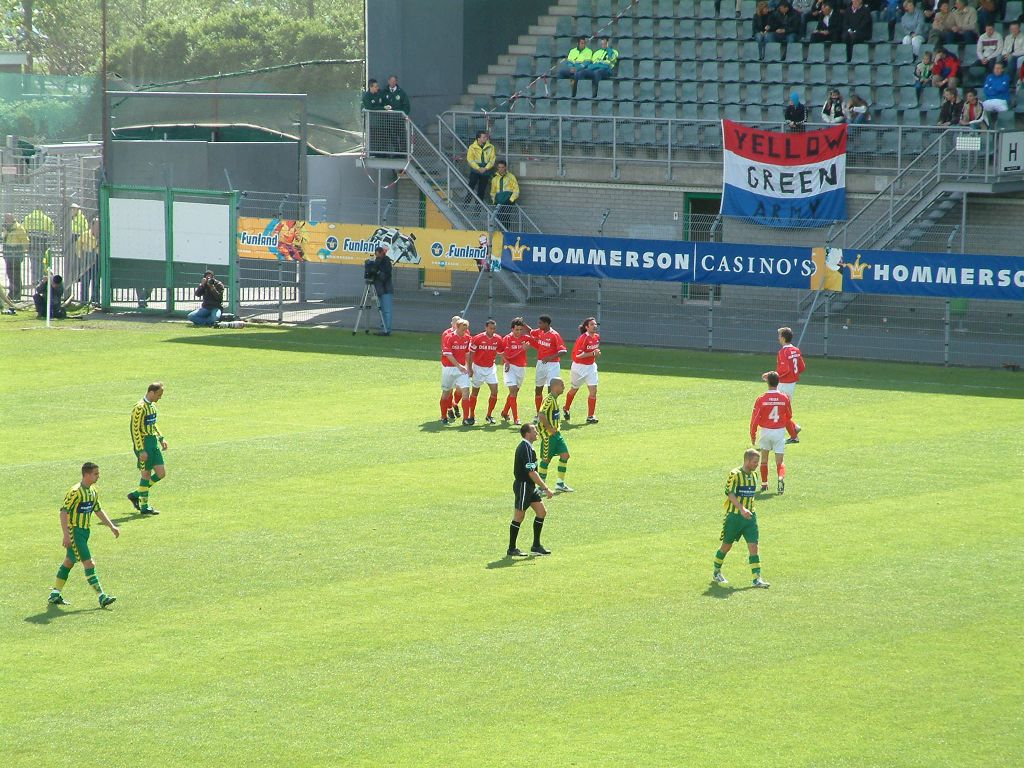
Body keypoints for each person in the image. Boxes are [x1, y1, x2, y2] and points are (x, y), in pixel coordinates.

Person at [47, 462, 119, 608]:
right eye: (95, 474)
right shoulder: (75, 491)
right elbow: (63, 512)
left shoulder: (93, 491)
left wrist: (111, 526)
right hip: (75, 531)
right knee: (89, 563)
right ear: (86, 475)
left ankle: (55, 594)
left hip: (85, 532)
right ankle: (102, 597)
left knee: (69, 561)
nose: (98, 476)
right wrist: (66, 535)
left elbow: (98, 510)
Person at [711, 448, 770, 588]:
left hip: (750, 518)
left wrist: (748, 510)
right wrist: (742, 509)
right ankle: (716, 571)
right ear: (747, 460)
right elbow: (729, 493)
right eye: (755, 462)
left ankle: (757, 578)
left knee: (754, 546)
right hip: (734, 517)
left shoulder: (754, 475)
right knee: (726, 546)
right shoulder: (735, 474)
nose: (757, 464)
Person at [507, 423, 554, 557]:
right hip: (523, 486)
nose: (537, 432)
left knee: (541, 512)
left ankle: (536, 546)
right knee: (519, 516)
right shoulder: (525, 448)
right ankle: (511, 548)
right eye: (534, 430)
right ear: (527, 434)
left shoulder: (529, 447)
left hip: (530, 486)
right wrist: (545, 488)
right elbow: (531, 473)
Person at [127, 382, 168, 516]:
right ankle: (144, 507)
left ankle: (136, 494)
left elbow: (153, 424)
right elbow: (134, 430)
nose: (160, 397)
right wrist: (140, 450)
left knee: (161, 473)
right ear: (151, 392)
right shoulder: (139, 408)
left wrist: (161, 438)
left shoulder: (152, 407)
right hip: (143, 444)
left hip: (153, 442)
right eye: (159, 394)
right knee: (146, 474)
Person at [750, 371, 793, 495]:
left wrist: (753, 434)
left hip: (765, 432)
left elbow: (755, 419)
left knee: (764, 460)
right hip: (779, 432)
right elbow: (789, 415)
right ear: (778, 383)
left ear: (767, 382)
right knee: (780, 462)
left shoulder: (761, 398)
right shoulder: (784, 397)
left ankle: (764, 484)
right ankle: (780, 478)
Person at [467, 319, 506, 425]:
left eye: (494, 328)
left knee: (495, 391)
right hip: (478, 368)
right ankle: (472, 416)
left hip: (490, 368)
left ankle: (489, 415)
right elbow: (471, 354)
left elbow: (501, 352)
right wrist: (470, 368)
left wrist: (506, 363)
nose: (492, 330)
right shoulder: (478, 338)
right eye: (490, 328)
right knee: (475, 392)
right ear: (486, 328)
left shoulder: (498, 339)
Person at [538, 377, 573, 493]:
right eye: (562, 385)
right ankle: (541, 487)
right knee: (545, 460)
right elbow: (541, 414)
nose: (564, 387)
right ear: (555, 386)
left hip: (557, 435)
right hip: (549, 436)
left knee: (565, 455)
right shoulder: (549, 399)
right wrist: (549, 428)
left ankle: (560, 484)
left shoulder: (555, 399)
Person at [564, 317, 600, 424]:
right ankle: (566, 408)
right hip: (579, 367)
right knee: (574, 389)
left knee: (593, 391)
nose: (595, 326)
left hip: (591, 367)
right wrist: (593, 353)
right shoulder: (583, 338)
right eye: (592, 324)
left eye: (595, 324)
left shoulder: (597, 337)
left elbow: (592, 351)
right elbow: (577, 356)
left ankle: (590, 416)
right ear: (586, 327)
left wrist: (595, 353)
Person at [500, 317, 536, 425]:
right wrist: (522, 349)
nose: (519, 332)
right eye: (517, 330)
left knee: (514, 392)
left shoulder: (525, 338)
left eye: (521, 329)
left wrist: (526, 326)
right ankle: (516, 418)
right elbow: (507, 356)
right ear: (512, 329)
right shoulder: (507, 339)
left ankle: (505, 412)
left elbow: (536, 337)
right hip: (510, 366)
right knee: (513, 390)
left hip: (521, 368)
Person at [530, 314, 567, 413]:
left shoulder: (554, 335)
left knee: (552, 390)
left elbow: (563, 351)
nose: (538, 325)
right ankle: (539, 413)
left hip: (553, 365)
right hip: (541, 364)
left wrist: (550, 357)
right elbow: (530, 331)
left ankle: (549, 412)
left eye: (540, 323)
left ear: (546, 324)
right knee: (538, 389)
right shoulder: (540, 331)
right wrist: (523, 324)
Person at [775, 327, 805, 443]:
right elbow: (801, 367)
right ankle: (795, 428)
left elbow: (785, 369)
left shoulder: (783, 352)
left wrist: (774, 376)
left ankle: (794, 435)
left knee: (781, 410)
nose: (778, 338)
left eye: (779, 336)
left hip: (784, 383)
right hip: (792, 383)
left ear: (783, 338)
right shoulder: (796, 350)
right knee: (783, 409)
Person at [440, 319, 472, 426]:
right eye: (463, 329)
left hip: (462, 369)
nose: (465, 332)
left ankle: (466, 419)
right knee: (446, 392)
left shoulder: (467, 337)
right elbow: (448, 354)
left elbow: (467, 353)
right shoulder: (449, 337)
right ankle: (443, 416)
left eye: (466, 329)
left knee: (466, 392)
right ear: (457, 327)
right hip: (449, 368)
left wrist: (468, 366)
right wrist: (459, 366)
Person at [23, 206, 55, 287]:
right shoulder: (47, 219)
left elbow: (23, 230)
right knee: (41, 261)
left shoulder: (28, 218)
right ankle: (41, 279)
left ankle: (34, 280)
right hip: (42, 242)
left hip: (32, 241)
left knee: (33, 261)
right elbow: (52, 231)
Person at [442, 315, 466, 420]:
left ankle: (454, 403)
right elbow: (445, 351)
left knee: (461, 389)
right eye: (456, 323)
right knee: (449, 390)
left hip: (462, 366)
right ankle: (449, 409)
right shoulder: (447, 334)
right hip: (448, 365)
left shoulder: (465, 333)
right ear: (452, 324)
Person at [464, 131, 495, 204]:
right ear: (478, 138)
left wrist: (486, 168)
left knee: (481, 190)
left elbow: (492, 159)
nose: (486, 138)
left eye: (486, 137)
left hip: (486, 171)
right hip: (475, 170)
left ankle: (478, 209)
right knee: (470, 187)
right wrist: (478, 168)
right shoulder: (472, 147)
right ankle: (466, 203)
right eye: (484, 137)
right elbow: (470, 159)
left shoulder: (491, 147)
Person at [383, 75, 410, 156]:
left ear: (396, 82)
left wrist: (403, 114)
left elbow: (406, 106)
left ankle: (403, 153)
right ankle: (396, 152)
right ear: (388, 81)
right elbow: (381, 103)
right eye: (391, 81)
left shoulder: (401, 92)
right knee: (392, 136)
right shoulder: (384, 92)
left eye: (394, 81)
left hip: (399, 119)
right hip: (388, 120)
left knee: (401, 136)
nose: (392, 83)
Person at [3, 213, 29, 300]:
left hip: (16, 253)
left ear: (12, 219)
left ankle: (16, 295)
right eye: (5, 219)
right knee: (10, 274)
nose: (6, 220)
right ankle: (12, 293)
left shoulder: (18, 228)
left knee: (15, 275)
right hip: (8, 253)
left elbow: (25, 241)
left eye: (7, 219)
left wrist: (24, 251)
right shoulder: (7, 228)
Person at [489, 160, 520, 230]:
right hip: (499, 202)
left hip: (508, 201)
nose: (501, 169)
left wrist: (511, 199)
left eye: (502, 167)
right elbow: (492, 192)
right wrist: (494, 200)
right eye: (499, 167)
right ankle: (501, 231)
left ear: (505, 167)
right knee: (499, 217)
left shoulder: (511, 177)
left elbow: (516, 189)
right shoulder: (494, 179)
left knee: (506, 217)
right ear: (497, 168)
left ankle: (506, 231)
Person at [371, 246, 393, 336]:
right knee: (382, 310)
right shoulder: (376, 261)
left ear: (381, 253)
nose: (377, 256)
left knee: (386, 311)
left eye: (378, 254)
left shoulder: (386, 261)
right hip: (380, 289)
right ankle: (383, 328)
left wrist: (378, 272)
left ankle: (386, 330)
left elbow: (386, 276)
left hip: (386, 289)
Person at [361, 78, 386, 156]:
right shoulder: (366, 96)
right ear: (370, 87)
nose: (377, 88)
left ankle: (382, 154)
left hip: (380, 122)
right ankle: (372, 154)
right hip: (371, 123)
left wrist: (385, 106)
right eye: (375, 87)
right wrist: (382, 108)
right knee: (373, 139)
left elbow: (382, 103)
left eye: (377, 86)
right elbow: (370, 107)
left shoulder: (379, 94)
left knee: (381, 139)